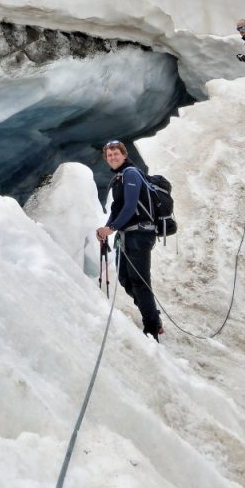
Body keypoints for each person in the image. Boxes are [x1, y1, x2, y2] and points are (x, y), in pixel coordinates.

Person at [96, 140, 163, 341]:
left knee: (140, 281)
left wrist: (112, 228)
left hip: (140, 235)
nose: (113, 157)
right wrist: (106, 231)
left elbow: (130, 206)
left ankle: (152, 327)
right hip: (128, 235)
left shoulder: (131, 174)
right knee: (126, 279)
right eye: (109, 155)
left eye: (116, 153)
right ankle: (152, 315)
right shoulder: (119, 178)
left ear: (124, 155)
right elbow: (118, 209)